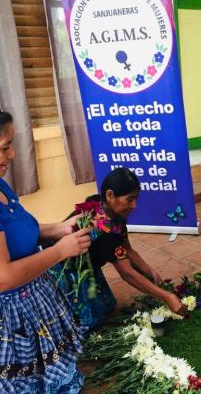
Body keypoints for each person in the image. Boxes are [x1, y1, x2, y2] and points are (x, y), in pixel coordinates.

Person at [0, 111, 91, 392]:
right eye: (4, 147)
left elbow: (20, 230)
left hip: (33, 301)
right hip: (11, 321)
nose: (13, 154)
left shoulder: (1, 184)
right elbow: (4, 277)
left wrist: (59, 229)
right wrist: (60, 251)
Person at [50, 167, 186, 334]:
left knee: (105, 308)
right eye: (130, 199)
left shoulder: (109, 212)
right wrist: (167, 297)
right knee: (85, 325)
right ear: (110, 195)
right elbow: (127, 273)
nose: (134, 205)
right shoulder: (103, 229)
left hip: (86, 263)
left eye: (136, 199)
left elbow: (128, 250)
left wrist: (150, 271)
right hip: (63, 271)